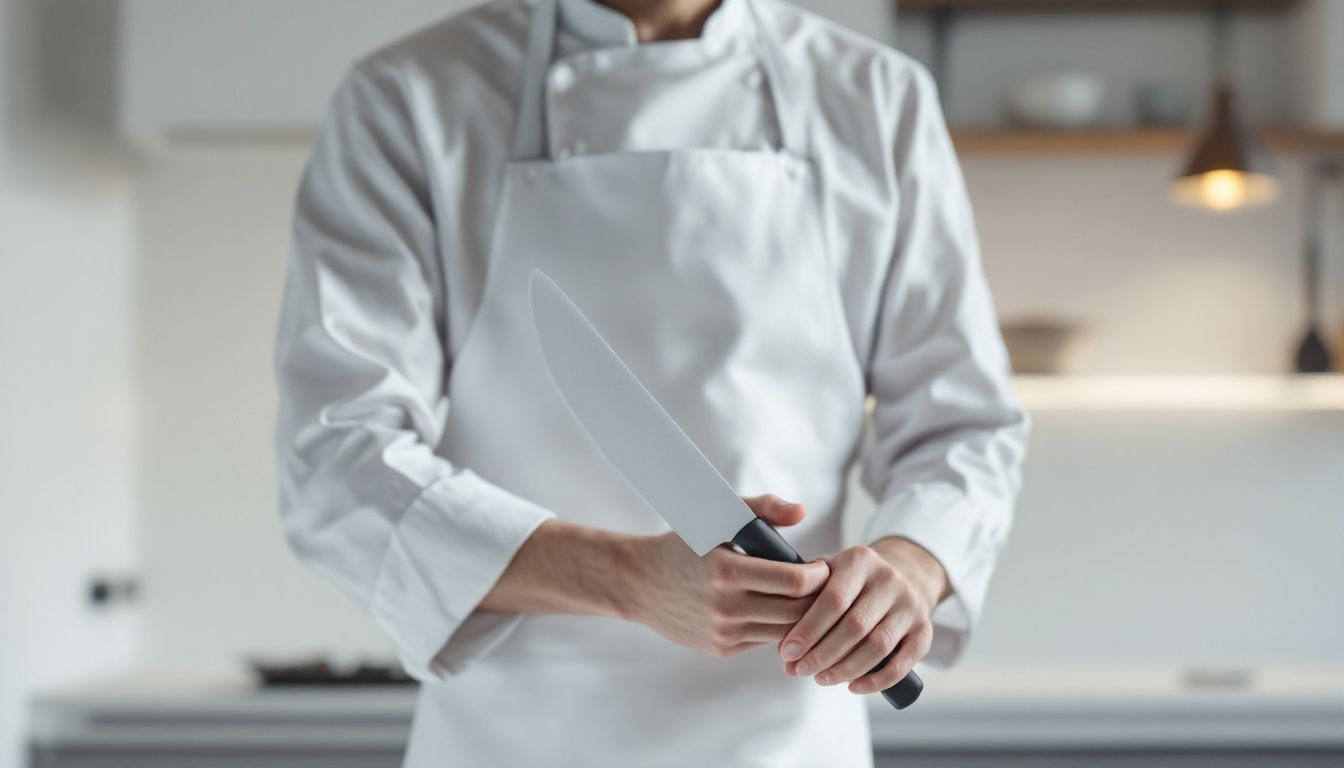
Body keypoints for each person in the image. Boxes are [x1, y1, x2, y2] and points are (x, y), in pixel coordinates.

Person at [274, 0, 1028, 765]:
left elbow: (961, 426)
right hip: (512, 739)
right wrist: (627, 578)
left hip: (785, 735)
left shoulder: (875, 96)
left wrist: (908, 565)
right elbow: (338, 457)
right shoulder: (410, 96)